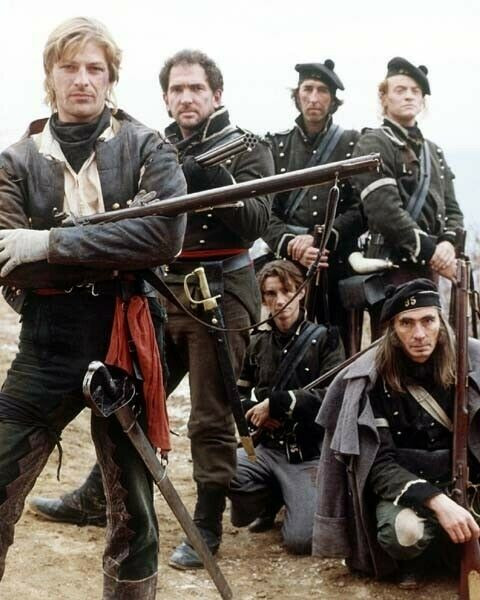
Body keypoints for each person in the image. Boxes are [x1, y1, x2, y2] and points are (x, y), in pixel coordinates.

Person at [30, 49, 275, 570]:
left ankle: (206, 523)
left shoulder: (247, 148)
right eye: (177, 90)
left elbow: (257, 222)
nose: (186, 98)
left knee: (210, 415)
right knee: (127, 396)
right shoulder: (153, 147)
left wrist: (207, 177)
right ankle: (99, 496)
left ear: (216, 95)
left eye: (196, 89)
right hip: (163, 290)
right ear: (165, 98)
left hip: (220, 293)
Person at [0, 17, 187, 599]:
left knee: (134, 513)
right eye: (70, 67)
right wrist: (116, 248)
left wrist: (50, 242)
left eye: (94, 68)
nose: (82, 79)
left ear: (110, 78)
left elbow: (164, 238)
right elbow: (10, 261)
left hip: (126, 336)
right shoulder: (16, 161)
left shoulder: (147, 146)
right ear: (50, 76)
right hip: (47, 341)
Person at [312, 279, 480, 589]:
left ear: (441, 324)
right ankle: (420, 558)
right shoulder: (374, 380)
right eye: (406, 323)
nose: (419, 334)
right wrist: (439, 502)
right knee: (404, 533)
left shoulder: (469, 364)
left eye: (428, 321)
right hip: (405, 489)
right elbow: (378, 465)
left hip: (465, 485)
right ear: (393, 330)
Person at [228, 260, 345, 554]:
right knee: (222, 467)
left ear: (301, 292)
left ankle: (291, 496)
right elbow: (237, 396)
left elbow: (333, 397)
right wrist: (257, 412)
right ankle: (269, 499)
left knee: (301, 541)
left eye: (287, 291)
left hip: (307, 455)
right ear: (263, 298)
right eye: (271, 293)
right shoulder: (257, 341)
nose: (280, 301)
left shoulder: (326, 339)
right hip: (266, 449)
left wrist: (276, 404)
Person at [351, 57, 464, 338]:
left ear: (423, 101)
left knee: (429, 347)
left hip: (429, 270)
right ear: (384, 97)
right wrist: (432, 252)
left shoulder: (433, 151)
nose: (409, 96)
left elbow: (452, 209)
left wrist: (447, 243)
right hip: (391, 270)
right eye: (400, 90)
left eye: (416, 91)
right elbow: (384, 211)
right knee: (393, 350)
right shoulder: (373, 142)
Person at [263, 61, 364, 347]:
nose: (314, 97)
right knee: (284, 345)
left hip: (336, 262)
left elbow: (361, 210)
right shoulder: (276, 145)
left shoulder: (353, 143)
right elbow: (265, 210)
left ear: (333, 100)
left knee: (339, 346)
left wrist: (320, 240)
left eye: (322, 90)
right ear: (297, 96)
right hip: (288, 265)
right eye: (307, 89)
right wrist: (290, 244)